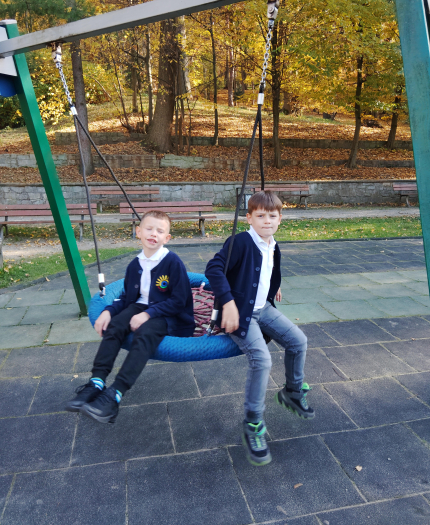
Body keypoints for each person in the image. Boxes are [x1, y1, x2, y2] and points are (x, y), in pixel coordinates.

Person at [205, 191, 314, 466]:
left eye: (272, 216)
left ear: (280, 219)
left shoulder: (273, 245)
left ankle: (292, 391)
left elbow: (269, 269)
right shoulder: (240, 242)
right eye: (261, 216)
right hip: (239, 313)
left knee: (298, 341)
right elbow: (213, 269)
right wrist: (228, 303)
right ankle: (253, 423)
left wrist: (274, 286)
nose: (267, 221)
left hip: (263, 308)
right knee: (262, 360)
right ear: (249, 218)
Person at [65, 210, 195, 424]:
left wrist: (147, 314)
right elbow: (127, 297)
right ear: (138, 232)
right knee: (115, 325)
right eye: (149, 229)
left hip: (171, 315)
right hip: (141, 306)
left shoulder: (172, 262)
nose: (153, 234)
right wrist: (108, 311)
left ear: (167, 238)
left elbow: (179, 300)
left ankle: (115, 394)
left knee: (145, 333)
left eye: (160, 231)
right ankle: (96, 382)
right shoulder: (135, 264)